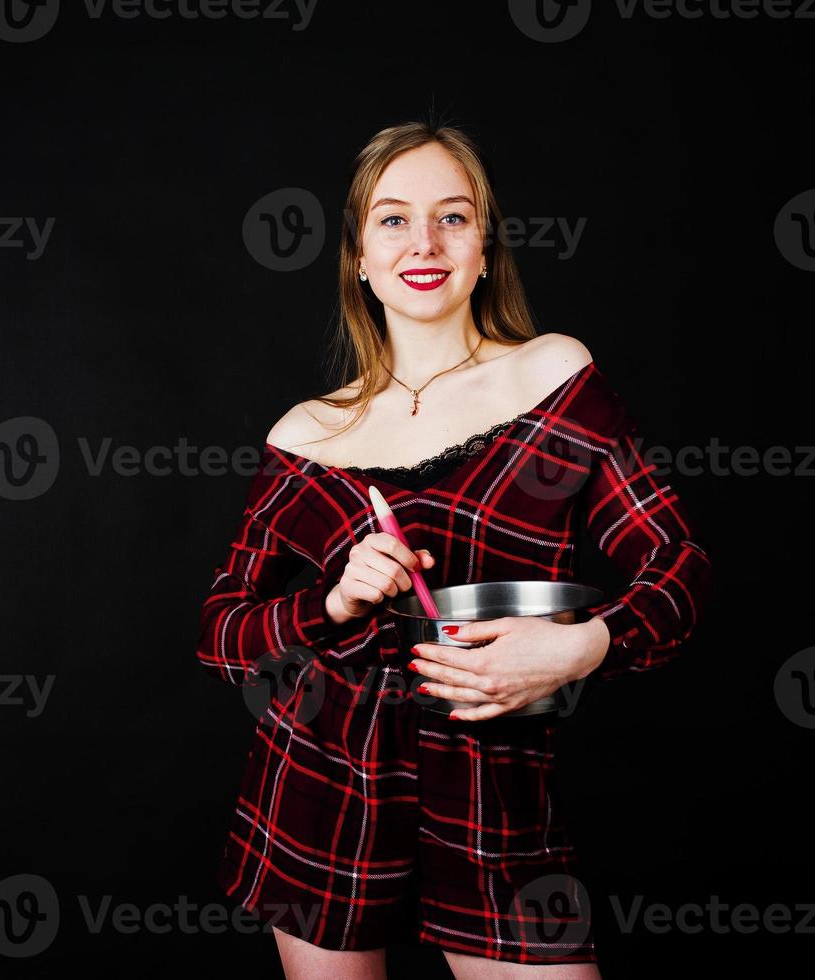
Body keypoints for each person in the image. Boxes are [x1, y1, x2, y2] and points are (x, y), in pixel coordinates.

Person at [195, 120, 713, 978]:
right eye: (392, 220)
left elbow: (679, 564)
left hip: (491, 791)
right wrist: (328, 605)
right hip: (320, 789)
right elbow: (220, 634)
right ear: (359, 257)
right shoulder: (307, 434)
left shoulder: (552, 379)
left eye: (453, 217)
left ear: (484, 249)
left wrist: (585, 645)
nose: (423, 243)